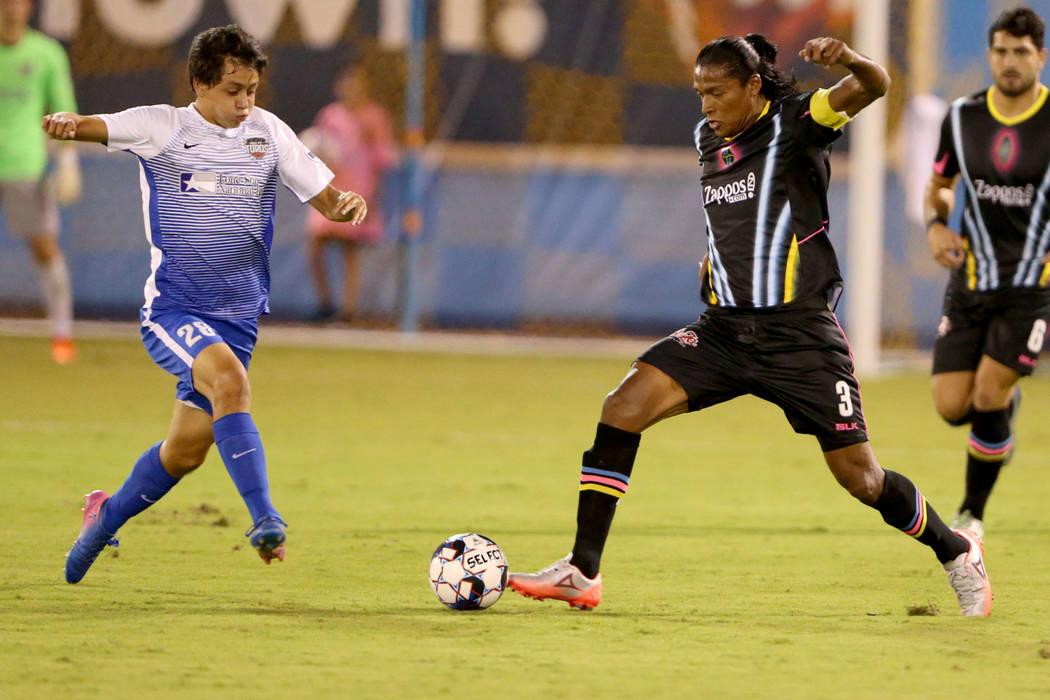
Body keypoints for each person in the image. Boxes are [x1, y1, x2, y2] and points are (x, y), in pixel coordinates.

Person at [509, 34, 993, 616]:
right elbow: (734, 218)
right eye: (700, 93)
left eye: (717, 92)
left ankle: (957, 552)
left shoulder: (800, 121)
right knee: (622, 407)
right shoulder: (706, 138)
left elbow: (875, 85)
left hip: (799, 336)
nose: (706, 105)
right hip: (724, 330)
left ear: (753, 86)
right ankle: (583, 571)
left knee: (862, 479)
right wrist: (716, 259)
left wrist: (848, 60)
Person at [45, 25, 367, 584]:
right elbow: (97, 125)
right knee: (231, 384)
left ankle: (103, 516)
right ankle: (265, 518)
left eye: (252, 90)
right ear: (199, 83)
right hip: (175, 310)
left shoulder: (268, 133)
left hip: (238, 317)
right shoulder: (163, 127)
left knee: (184, 453)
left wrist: (344, 205)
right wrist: (69, 124)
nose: (244, 102)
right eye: (232, 90)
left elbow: (325, 197)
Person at [925, 7, 1050, 539]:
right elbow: (940, 185)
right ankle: (1004, 411)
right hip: (970, 282)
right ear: (990, 55)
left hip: (1033, 288)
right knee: (953, 406)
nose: (1010, 61)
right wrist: (937, 224)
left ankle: (970, 514)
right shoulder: (961, 117)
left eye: (1021, 52)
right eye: (1001, 51)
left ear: (1041, 56)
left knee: (988, 394)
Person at [0, 0, 81, 363]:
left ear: (28, 7)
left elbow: (63, 109)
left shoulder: (46, 53)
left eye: (16, 2)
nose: (10, 9)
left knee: (45, 248)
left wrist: (68, 163)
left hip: (25, 167)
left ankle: (62, 334)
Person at [301, 62, 395, 323]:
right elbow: (316, 148)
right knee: (315, 245)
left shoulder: (374, 118)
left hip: (359, 188)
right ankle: (325, 303)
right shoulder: (330, 115)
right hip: (330, 188)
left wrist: (373, 196)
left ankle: (348, 309)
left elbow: (383, 158)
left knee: (349, 250)